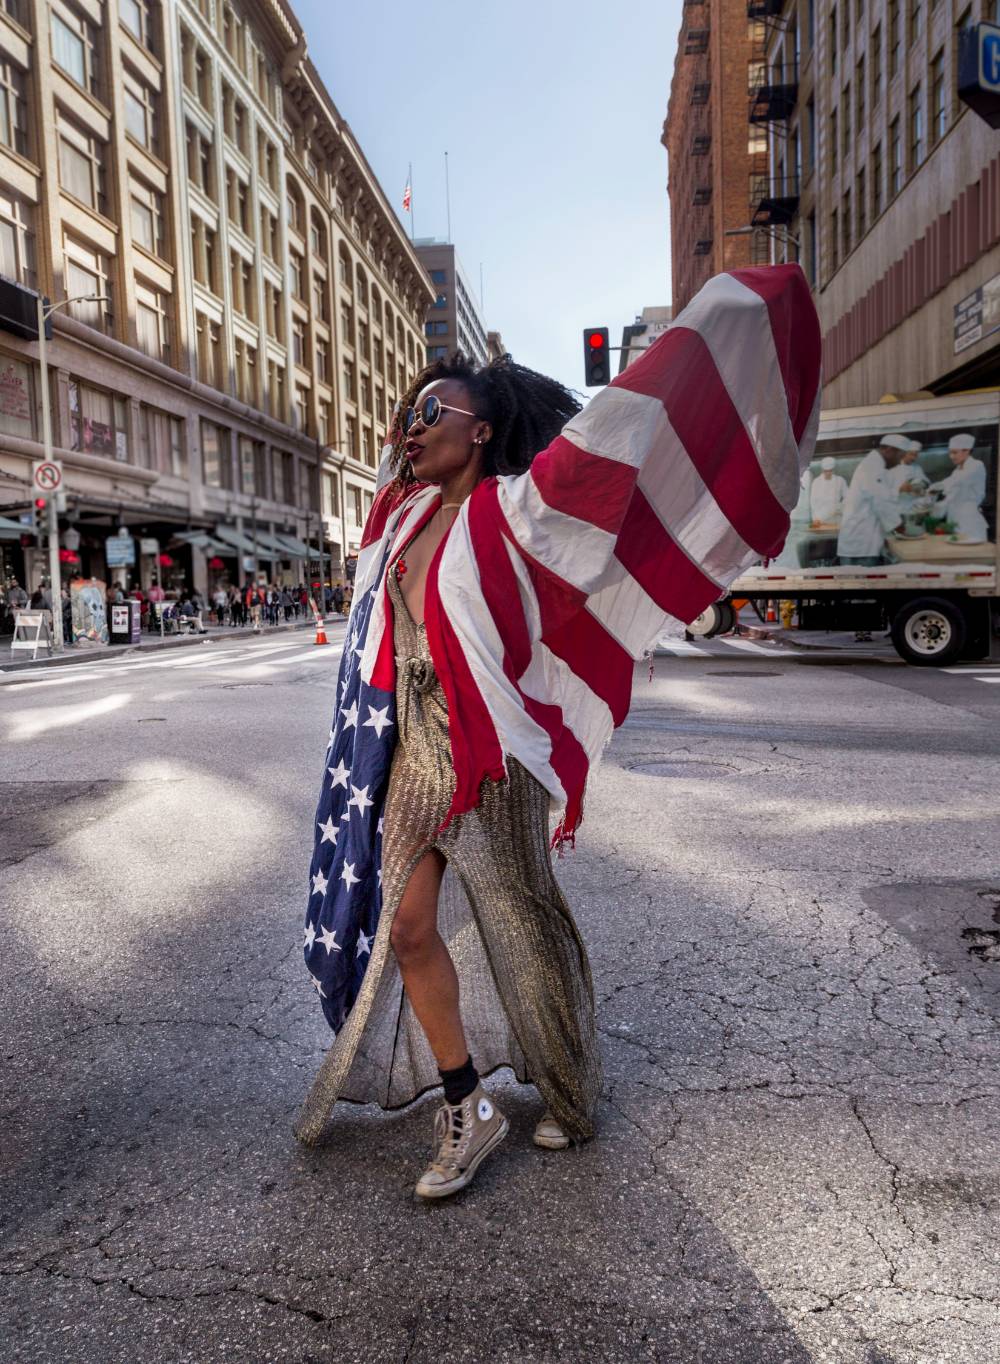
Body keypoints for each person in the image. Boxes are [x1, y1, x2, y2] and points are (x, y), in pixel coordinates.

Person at [295, 264, 822, 1198]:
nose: (413, 427)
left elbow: (618, 437)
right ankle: (469, 1110)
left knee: (521, 923)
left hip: (491, 755)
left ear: (484, 429)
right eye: (408, 414)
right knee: (410, 929)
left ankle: (572, 1090)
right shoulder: (400, 517)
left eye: (435, 413)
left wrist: (723, 323)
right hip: (413, 753)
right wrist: (409, 429)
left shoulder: (519, 511)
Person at [836, 434, 909, 565]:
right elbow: (881, 501)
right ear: (889, 450)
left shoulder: (875, 466)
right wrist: (899, 527)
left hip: (862, 541)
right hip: (860, 544)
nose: (899, 462)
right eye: (900, 457)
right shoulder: (872, 467)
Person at [928, 433, 989, 541]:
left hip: (970, 522)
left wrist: (935, 487)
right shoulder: (956, 471)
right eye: (950, 453)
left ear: (967, 451)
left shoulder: (976, 465)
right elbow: (950, 498)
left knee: (972, 554)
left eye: (955, 452)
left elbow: (957, 481)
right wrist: (933, 512)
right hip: (954, 522)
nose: (951, 456)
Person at [809, 456, 848, 525]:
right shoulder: (816, 482)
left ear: (833, 470)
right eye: (826, 471)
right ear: (823, 470)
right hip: (820, 519)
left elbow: (848, 498)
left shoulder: (840, 480)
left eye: (830, 471)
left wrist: (840, 508)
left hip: (836, 518)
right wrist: (816, 519)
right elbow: (813, 503)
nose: (828, 473)